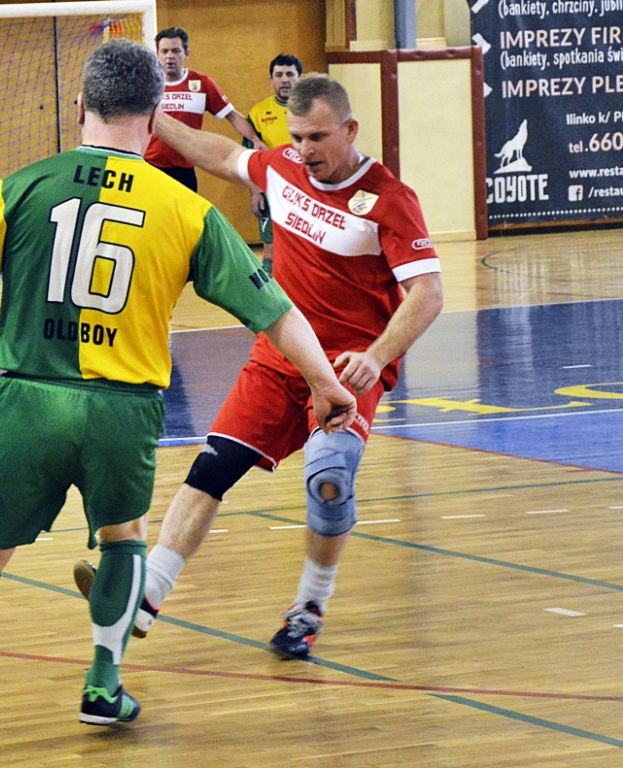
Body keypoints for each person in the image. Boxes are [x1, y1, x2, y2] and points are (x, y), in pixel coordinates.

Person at [0, 41, 355, 761]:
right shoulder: (183, 208)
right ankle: (103, 686)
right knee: (123, 538)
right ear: (157, 114)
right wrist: (325, 383)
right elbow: (275, 311)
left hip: (29, 400)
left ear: (80, 109)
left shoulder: (22, 186)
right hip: (123, 409)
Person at [76, 73, 444, 660]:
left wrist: (376, 358)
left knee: (329, 482)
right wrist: (151, 117)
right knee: (213, 468)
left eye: (318, 137)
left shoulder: (389, 200)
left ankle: (308, 609)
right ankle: (145, 598)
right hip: (278, 357)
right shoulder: (286, 168)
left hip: (348, 370)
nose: (305, 149)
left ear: (350, 129)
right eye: (297, 136)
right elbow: (221, 152)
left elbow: (427, 292)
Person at [145, 27, 266, 191]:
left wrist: (255, 139)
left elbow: (232, 116)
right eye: (164, 51)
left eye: (175, 51)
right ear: (157, 54)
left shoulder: (202, 83)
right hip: (150, 168)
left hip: (185, 171)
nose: (169, 57)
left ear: (186, 53)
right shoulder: (147, 85)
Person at [244, 53, 303, 273]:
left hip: (305, 190)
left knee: (304, 247)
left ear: (300, 77)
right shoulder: (258, 113)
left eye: (290, 74)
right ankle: (269, 299)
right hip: (270, 189)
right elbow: (249, 158)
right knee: (271, 248)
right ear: (271, 80)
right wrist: (255, 191)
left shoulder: (311, 110)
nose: (284, 80)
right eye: (279, 75)